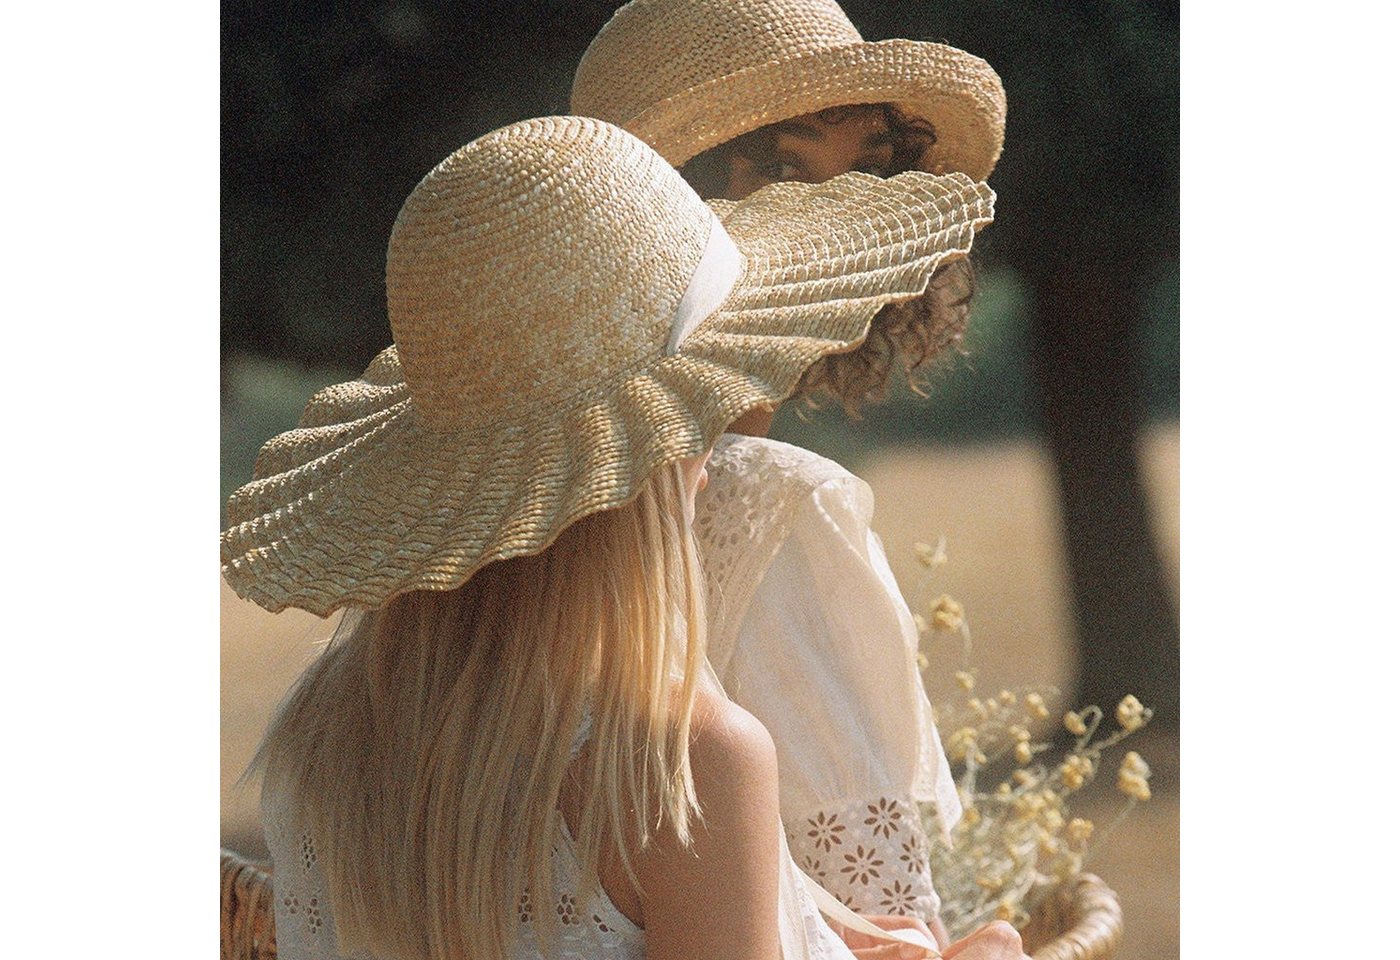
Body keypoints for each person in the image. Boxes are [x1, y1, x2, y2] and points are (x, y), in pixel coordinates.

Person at [222, 115, 1006, 959]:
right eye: (705, 401)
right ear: (647, 451)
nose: (718, 451)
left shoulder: (326, 743)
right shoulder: (681, 770)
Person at [571, 0, 1008, 942]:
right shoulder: (769, 507)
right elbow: (900, 926)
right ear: (668, 207)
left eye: (867, 172)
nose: (840, 215)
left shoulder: (468, 521)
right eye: (782, 168)